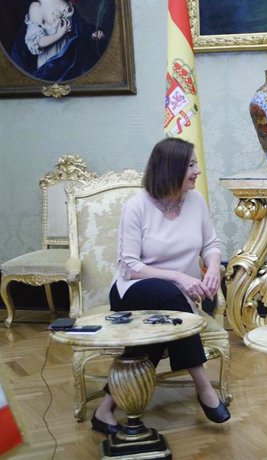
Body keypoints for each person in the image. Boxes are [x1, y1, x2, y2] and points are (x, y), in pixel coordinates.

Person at [91, 137, 230, 435]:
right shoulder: (136, 207)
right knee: (169, 298)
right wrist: (180, 277)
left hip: (181, 297)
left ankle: (104, 410)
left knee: (154, 335)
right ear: (171, 169)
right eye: (191, 165)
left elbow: (211, 244)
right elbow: (131, 265)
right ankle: (203, 385)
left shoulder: (196, 201)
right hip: (134, 290)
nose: (197, 171)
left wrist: (214, 267)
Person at [10, 0, 107, 82]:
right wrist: (58, 35)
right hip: (51, 63)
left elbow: (79, 26)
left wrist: (92, 34)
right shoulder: (37, 7)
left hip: (72, 58)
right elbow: (37, 42)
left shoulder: (64, 2)